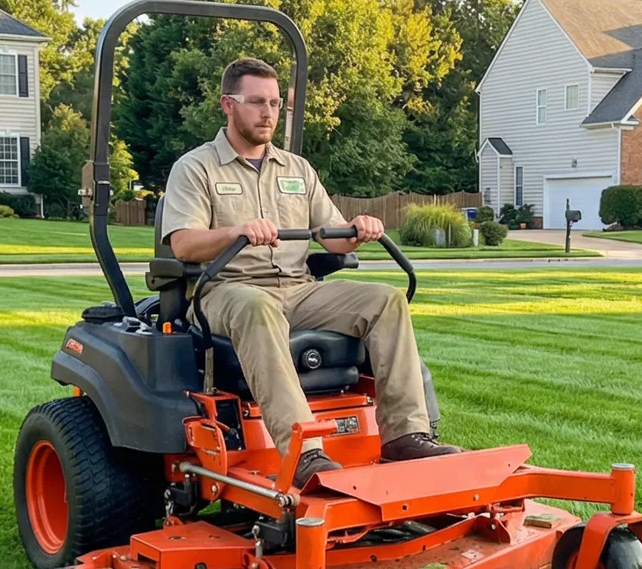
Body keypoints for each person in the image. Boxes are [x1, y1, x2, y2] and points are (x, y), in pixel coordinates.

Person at [162, 56, 461, 487]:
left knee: (386, 300)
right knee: (258, 307)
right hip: (226, 289)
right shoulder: (196, 168)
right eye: (256, 102)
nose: (268, 113)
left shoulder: (297, 170)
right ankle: (304, 453)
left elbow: (331, 236)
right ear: (228, 104)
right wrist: (237, 231)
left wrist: (357, 230)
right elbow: (184, 243)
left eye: (275, 103)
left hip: (299, 289)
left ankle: (405, 435)